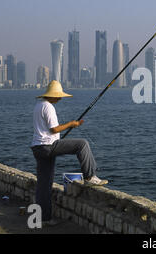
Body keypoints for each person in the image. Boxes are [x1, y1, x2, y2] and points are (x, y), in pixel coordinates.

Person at [31, 80, 108, 225]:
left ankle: (43, 219)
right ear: (52, 95)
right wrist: (72, 124)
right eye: (58, 96)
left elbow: (46, 130)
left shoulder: (39, 105)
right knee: (82, 144)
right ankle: (90, 176)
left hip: (37, 148)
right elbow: (54, 129)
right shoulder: (48, 107)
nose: (60, 98)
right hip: (48, 147)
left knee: (44, 184)